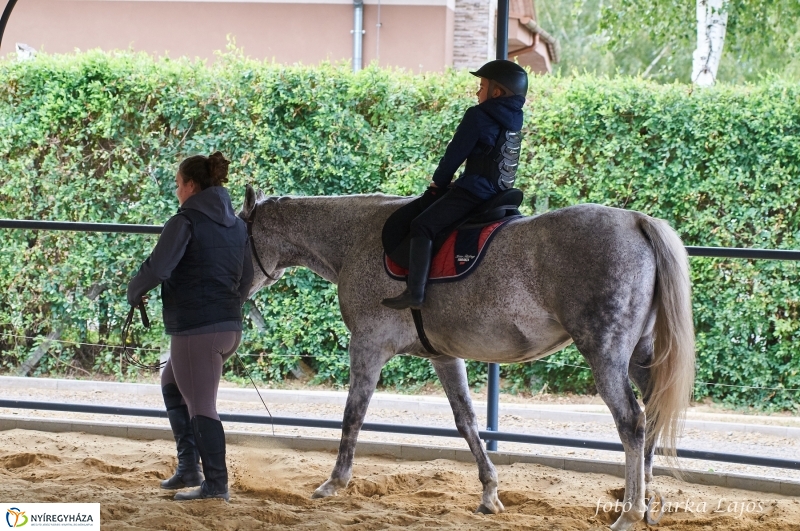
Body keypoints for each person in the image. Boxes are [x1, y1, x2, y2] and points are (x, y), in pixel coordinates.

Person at [127, 151, 253, 502]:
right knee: (170, 381)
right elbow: (247, 279)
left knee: (202, 405)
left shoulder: (184, 222)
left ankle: (215, 485)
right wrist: (226, 304)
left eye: (179, 184)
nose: (177, 191)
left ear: (192, 186)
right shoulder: (239, 225)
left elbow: (159, 268)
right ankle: (188, 469)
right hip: (228, 328)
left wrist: (134, 291)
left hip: (196, 330)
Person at [382, 59, 527, 310]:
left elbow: (454, 156)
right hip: (501, 194)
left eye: (481, 86)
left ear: (497, 92)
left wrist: (438, 185)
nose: (477, 92)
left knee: (422, 225)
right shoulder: (515, 118)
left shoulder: (478, 115)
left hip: (474, 192)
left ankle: (415, 293)